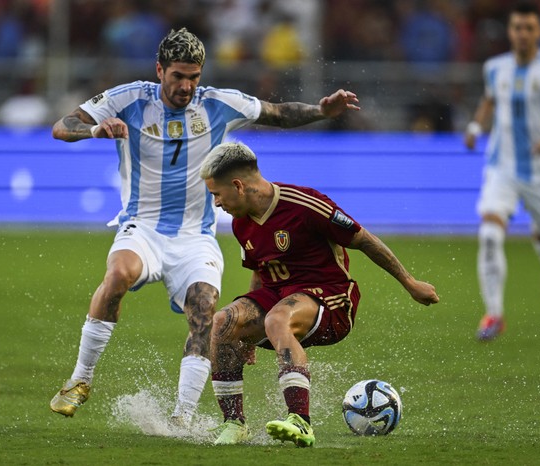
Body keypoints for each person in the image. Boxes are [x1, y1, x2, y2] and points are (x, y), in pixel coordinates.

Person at [49, 28, 361, 425]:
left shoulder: (217, 103)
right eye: (178, 75)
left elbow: (278, 113)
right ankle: (80, 380)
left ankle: (181, 417)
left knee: (204, 309)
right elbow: (63, 125)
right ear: (159, 69)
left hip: (197, 235)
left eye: (194, 77)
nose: (186, 86)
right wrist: (96, 129)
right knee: (118, 274)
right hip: (142, 227)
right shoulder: (129, 98)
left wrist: (322, 111)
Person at [199, 142, 440, 447]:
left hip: (332, 299)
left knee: (277, 319)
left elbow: (364, 240)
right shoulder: (241, 223)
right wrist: (244, 331)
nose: (216, 202)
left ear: (238, 185)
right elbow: (261, 270)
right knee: (222, 322)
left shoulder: (306, 204)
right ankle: (234, 424)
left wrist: (410, 283)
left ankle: (300, 421)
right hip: (277, 296)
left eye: (217, 194)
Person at [464, 1, 540, 341]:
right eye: (517, 28)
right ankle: (494, 315)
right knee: (488, 235)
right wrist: (474, 125)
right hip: (502, 166)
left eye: (529, 28)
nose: (523, 34)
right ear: (510, 31)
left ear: (539, 32)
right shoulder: (495, 68)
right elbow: (489, 99)